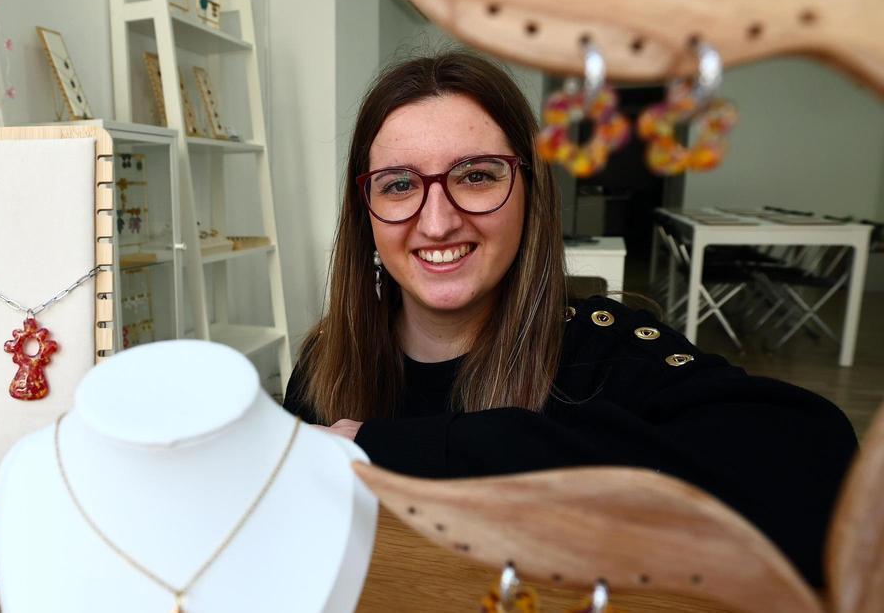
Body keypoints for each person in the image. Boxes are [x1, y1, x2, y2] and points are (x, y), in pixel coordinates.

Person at [282, 50, 857, 587]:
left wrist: (403, 450)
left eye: (477, 175)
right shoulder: (323, 366)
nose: (437, 223)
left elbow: (820, 466)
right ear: (368, 214)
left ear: (531, 192)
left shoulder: (605, 353)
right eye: (400, 184)